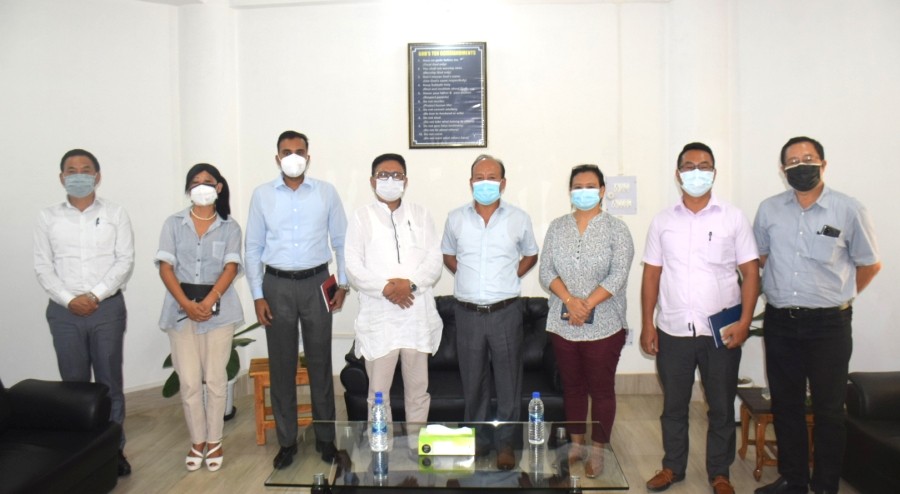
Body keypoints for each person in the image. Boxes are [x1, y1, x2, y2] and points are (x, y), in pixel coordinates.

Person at [753, 137, 881, 494]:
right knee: (786, 406)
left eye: (808, 158)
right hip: (780, 322)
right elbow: (758, 260)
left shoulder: (848, 209)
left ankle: (825, 486)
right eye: (792, 161)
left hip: (829, 326)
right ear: (783, 171)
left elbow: (870, 264)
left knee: (828, 411)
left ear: (823, 163)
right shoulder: (769, 210)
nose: (800, 165)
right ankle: (794, 480)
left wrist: (842, 295)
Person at [640, 142, 759, 494]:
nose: (696, 172)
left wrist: (745, 323)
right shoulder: (663, 221)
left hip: (720, 332)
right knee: (673, 406)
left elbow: (751, 273)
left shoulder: (732, 217)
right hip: (673, 328)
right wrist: (648, 323)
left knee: (720, 406)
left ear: (714, 173)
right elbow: (651, 275)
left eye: (704, 166)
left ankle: (719, 473)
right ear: (678, 174)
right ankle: (672, 467)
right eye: (689, 166)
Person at [245, 130, 348, 468]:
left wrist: (342, 284)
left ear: (308, 156)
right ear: (277, 158)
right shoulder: (262, 195)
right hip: (275, 284)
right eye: (286, 151)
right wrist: (258, 295)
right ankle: (287, 442)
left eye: (299, 151)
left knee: (320, 364)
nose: (293, 156)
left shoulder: (326, 193)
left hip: (318, 282)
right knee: (282, 365)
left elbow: (342, 241)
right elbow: (253, 249)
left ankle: (326, 440)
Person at [33, 148, 135, 476]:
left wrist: (94, 295)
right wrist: (69, 299)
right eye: (71, 170)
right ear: (62, 178)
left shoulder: (116, 213)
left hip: (106, 308)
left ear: (97, 176)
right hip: (64, 312)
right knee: (74, 386)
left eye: (85, 169)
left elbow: (124, 261)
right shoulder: (47, 217)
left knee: (109, 383)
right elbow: (42, 266)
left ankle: (113, 451)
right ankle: (82, 453)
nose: (78, 174)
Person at [441, 154, 539, 471]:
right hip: (467, 312)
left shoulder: (519, 218)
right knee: (473, 380)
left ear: (503, 182)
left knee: (509, 380)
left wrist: (509, 276)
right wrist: (471, 280)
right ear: (470, 183)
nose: (485, 181)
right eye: (479, 176)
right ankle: (480, 439)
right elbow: (448, 255)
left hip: (506, 311)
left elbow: (530, 254)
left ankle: (506, 443)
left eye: (492, 176)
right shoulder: (455, 218)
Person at [538, 164, 634, 478]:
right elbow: (546, 271)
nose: (583, 191)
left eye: (590, 185)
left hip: (605, 323)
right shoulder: (557, 226)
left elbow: (618, 274)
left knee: (602, 390)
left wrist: (587, 304)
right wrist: (570, 301)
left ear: (602, 191)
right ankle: (576, 445)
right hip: (563, 323)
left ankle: (598, 450)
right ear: (570, 192)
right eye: (577, 186)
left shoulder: (616, 228)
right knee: (573, 388)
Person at [344, 153, 443, 446]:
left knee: (417, 390)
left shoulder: (422, 215)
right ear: (373, 181)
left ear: (406, 180)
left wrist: (409, 285)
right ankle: (381, 447)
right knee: (378, 393)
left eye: (397, 175)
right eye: (383, 175)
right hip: (380, 319)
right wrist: (388, 289)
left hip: (415, 316)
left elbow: (434, 261)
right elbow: (353, 266)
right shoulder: (361, 217)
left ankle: (416, 445)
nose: (390, 180)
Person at [155, 164, 243, 472]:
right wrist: (186, 304)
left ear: (219, 187)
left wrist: (207, 301)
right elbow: (166, 266)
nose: (202, 187)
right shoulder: (174, 223)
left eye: (208, 182)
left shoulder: (230, 227)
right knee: (190, 381)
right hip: (181, 313)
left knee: (216, 380)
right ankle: (197, 441)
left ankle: (215, 440)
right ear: (188, 189)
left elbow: (231, 268)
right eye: (195, 182)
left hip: (219, 312)